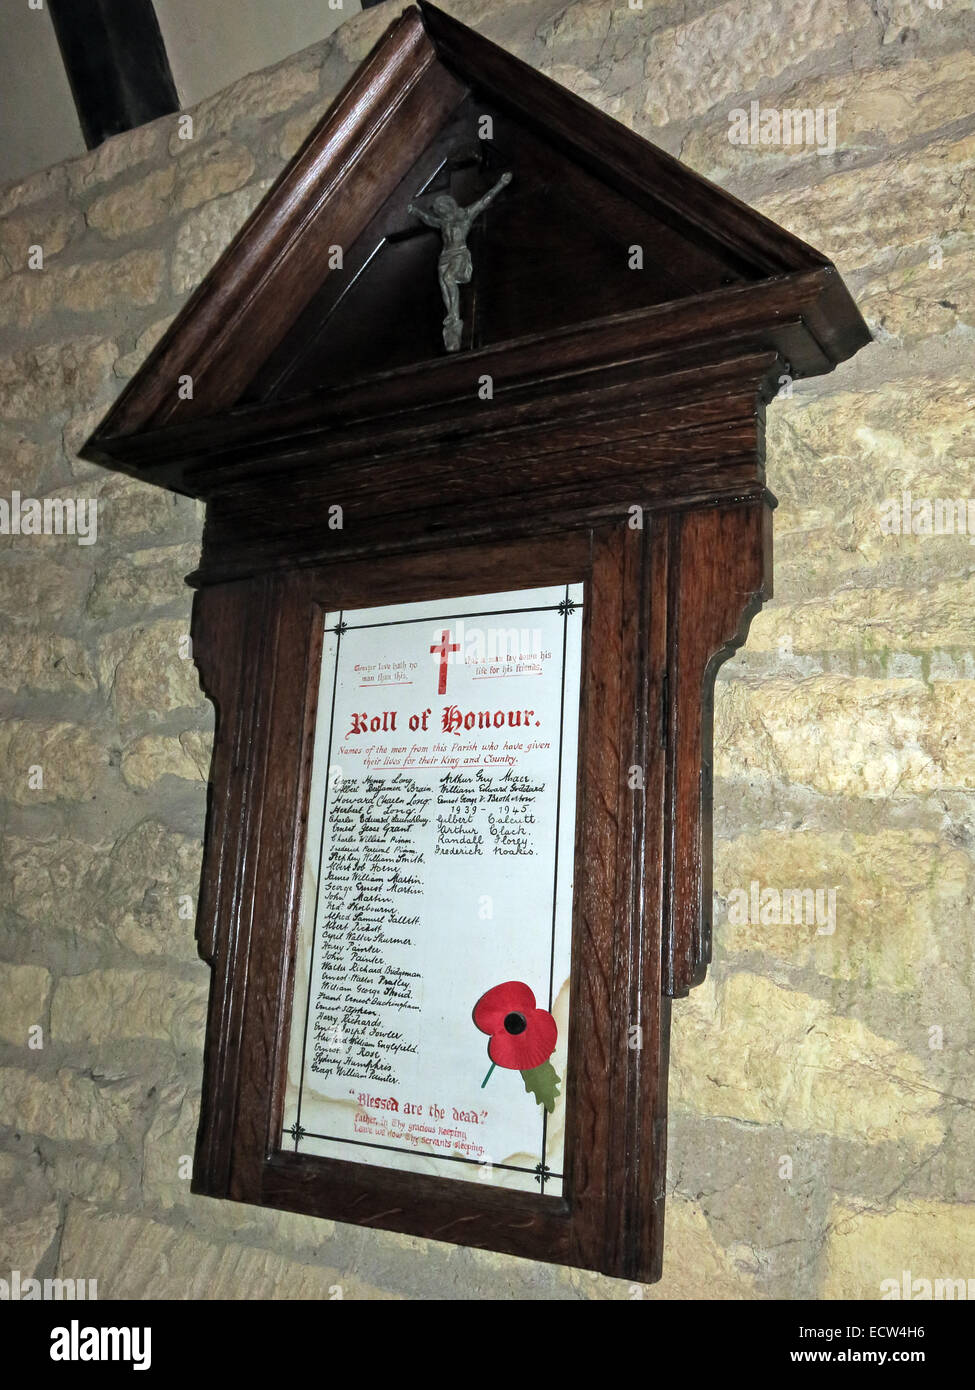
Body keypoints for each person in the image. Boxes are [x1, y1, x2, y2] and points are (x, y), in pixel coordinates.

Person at [408, 171, 513, 351]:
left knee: (449, 278)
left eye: (441, 207)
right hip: (444, 255)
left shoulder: (465, 215)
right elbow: (427, 219)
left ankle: (453, 316)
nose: (439, 211)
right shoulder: (442, 222)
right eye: (438, 209)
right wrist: (416, 211)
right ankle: (452, 320)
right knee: (444, 287)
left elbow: (484, 201)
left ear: (448, 205)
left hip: (459, 253)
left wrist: (501, 184)